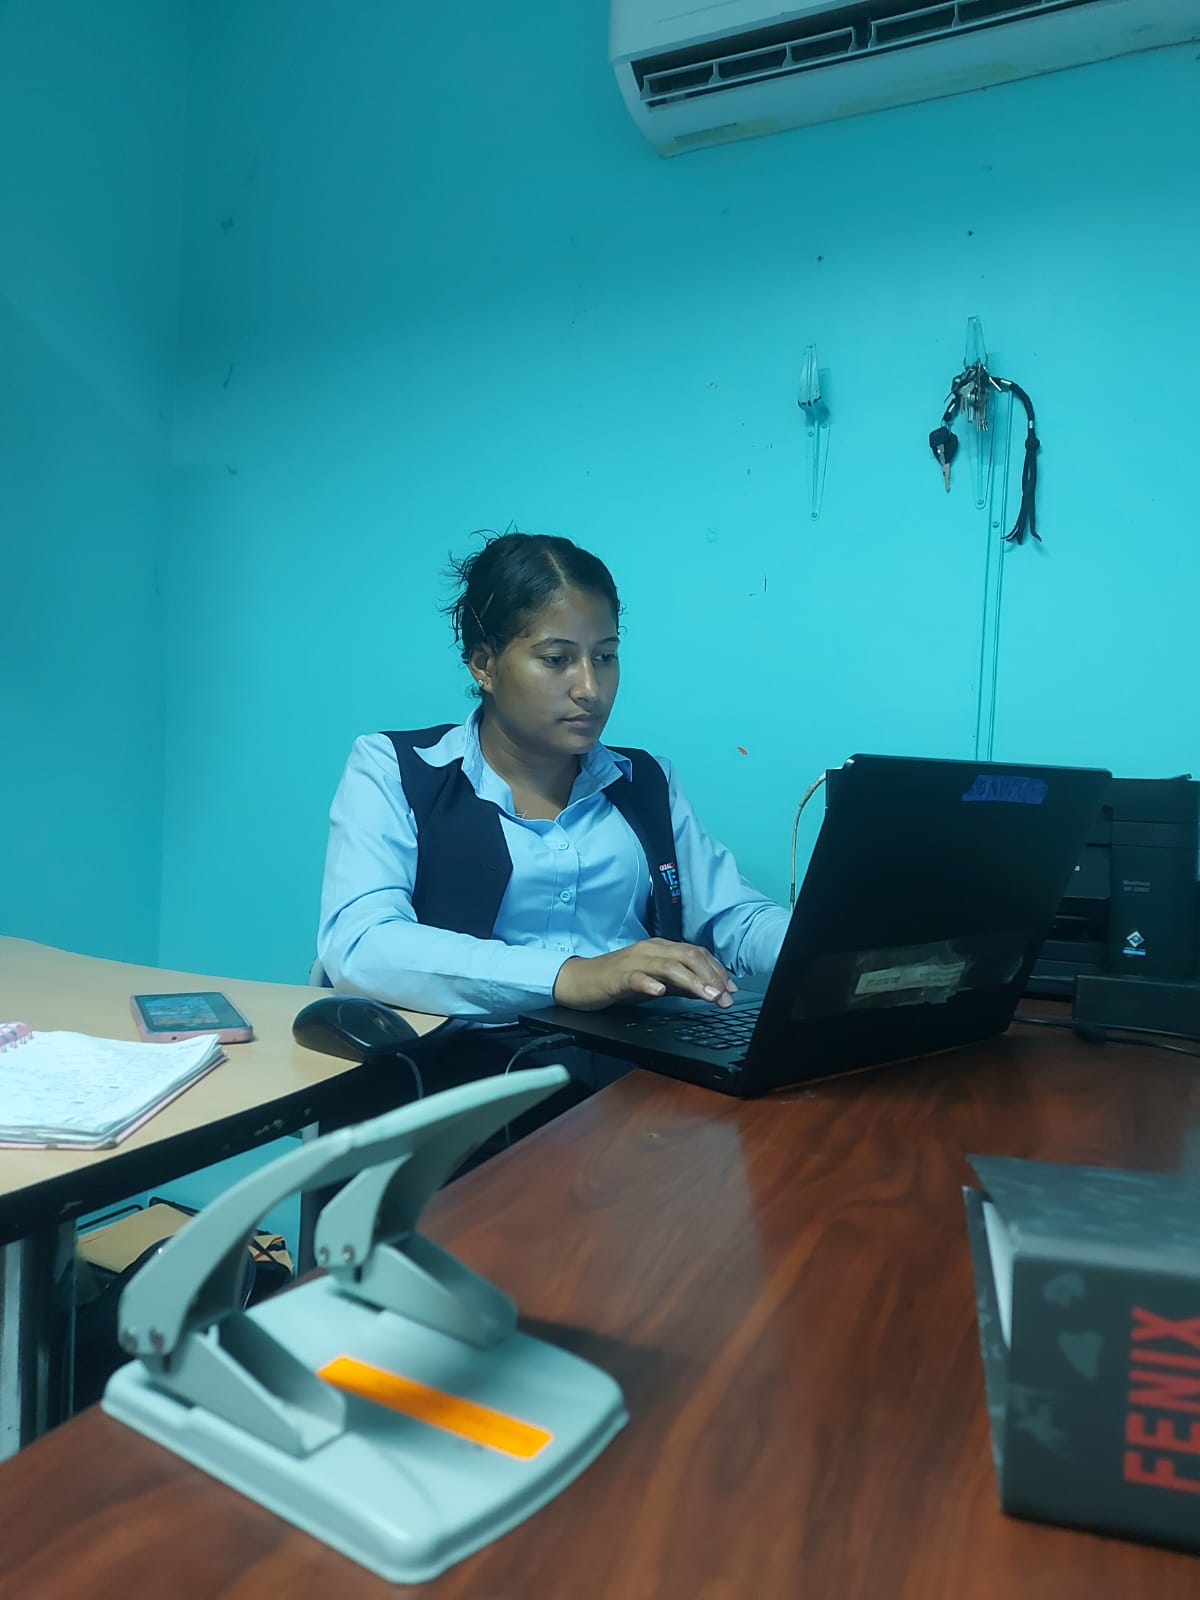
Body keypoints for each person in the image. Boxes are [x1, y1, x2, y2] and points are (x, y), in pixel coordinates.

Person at [316, 531, 789, 1033]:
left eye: (604, 657)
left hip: (635, 1057)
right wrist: (568, 975)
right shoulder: (398, 769)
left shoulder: (645, 781)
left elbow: (733, 919)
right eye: (556, 659)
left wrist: (826, 949)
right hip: (464, 1061)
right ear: (484, 665)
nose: (590, 688)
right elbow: (361, 944)